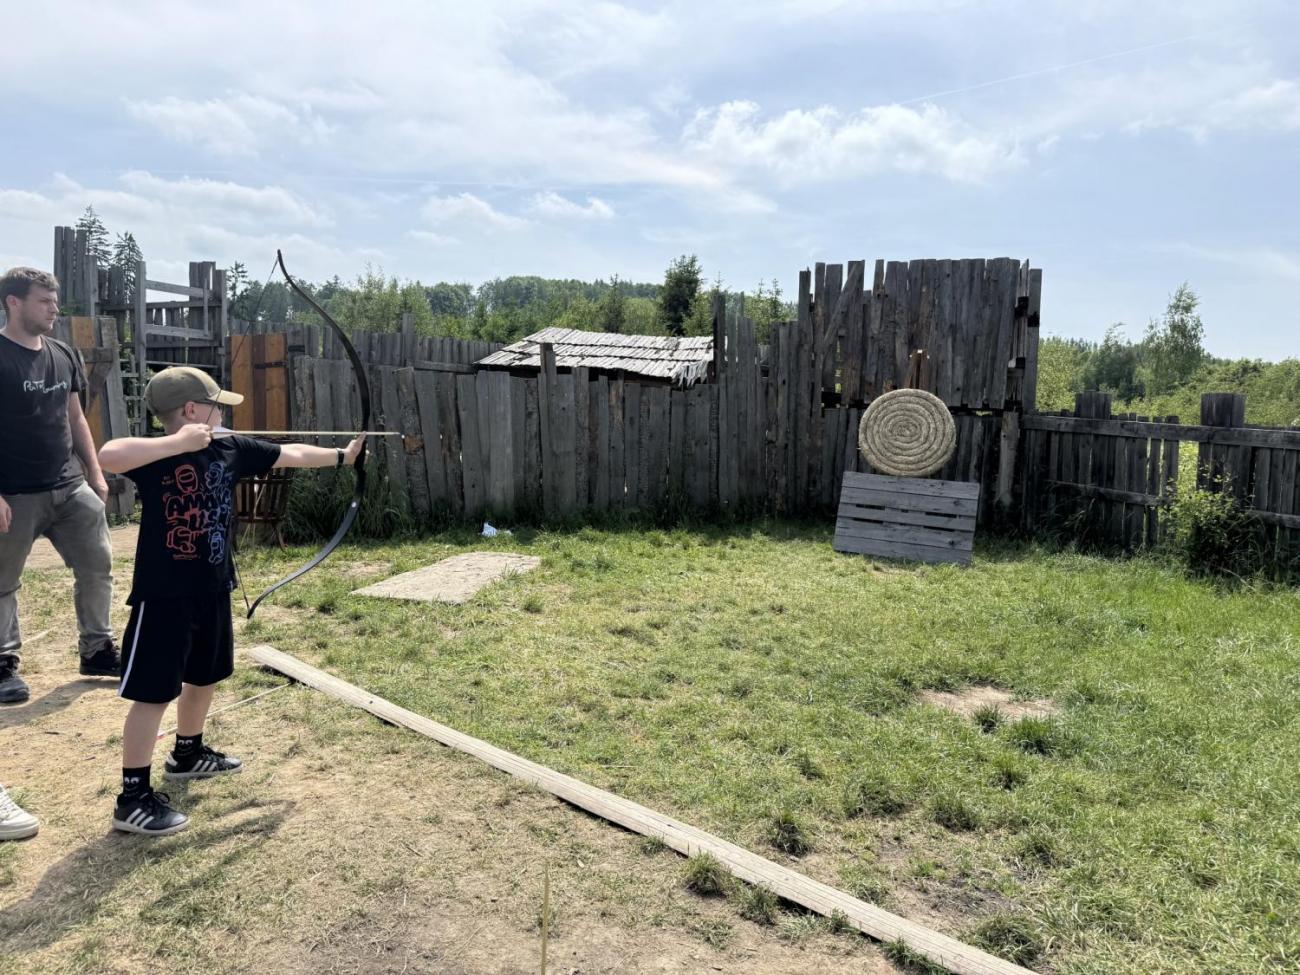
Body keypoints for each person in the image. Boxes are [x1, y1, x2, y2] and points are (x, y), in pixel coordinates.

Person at [99, 365, 364, 835]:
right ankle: (132, 798)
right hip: (164, 595)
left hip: (212, 585)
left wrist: (343, 457)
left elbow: (291, 454)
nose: (223, 412)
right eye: (217, 404)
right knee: (153, 691)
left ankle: (188, 752)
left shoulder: (231, 447)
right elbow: (108, 454)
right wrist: (179, 444)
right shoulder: (155, 454)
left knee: (204, 676)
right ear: (191, 410)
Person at [0, 267, 119, 705]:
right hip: (12, 493)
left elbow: (75, 417)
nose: (54, 309)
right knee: (2, 581)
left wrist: (95, 473)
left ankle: (98, 650)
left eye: (54, 301)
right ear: (14, 302)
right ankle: (3, 662)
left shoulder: (63, 353)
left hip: (69, 487)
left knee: (97, 565)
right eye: (43, 301)